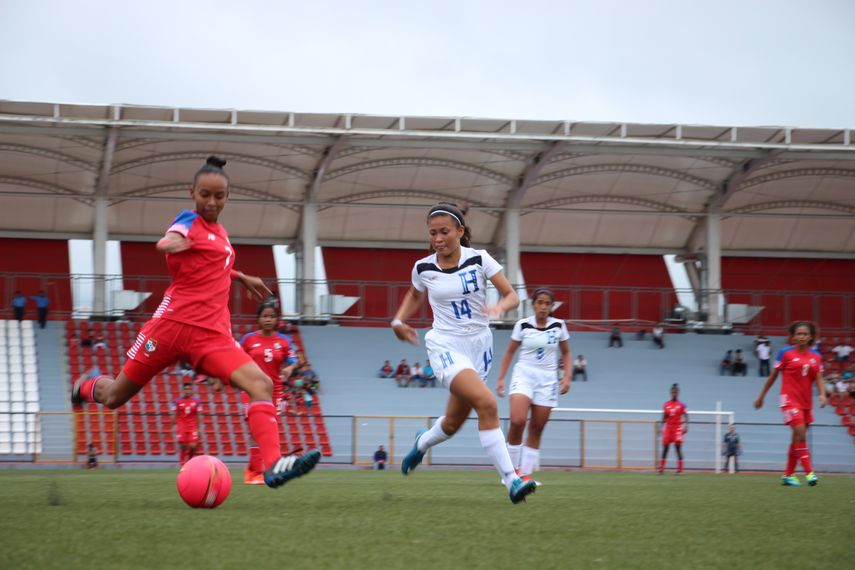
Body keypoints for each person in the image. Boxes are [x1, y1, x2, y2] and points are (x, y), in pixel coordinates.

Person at [71, 156, 320, 488]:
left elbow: (209, 263)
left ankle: (273, 465)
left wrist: (239, 275)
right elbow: (173, 238)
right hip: (169, 329)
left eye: (219, 196)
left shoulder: (221, 235)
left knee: (261, 385)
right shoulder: (188, 220)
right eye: (205, 194)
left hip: (211, 337)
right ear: (193, 193)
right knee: (115, 396)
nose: (212, 202)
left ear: (227, 197)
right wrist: (170, 242)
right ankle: (85, 386)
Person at [391, 202, 536, 504]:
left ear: (460, 231)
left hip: (479, 346)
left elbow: (512, 295)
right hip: (445, 344)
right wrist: (398, 320)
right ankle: (512, 481)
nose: (438, 238)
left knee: (452, 424)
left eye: (444, 232)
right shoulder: (423, 267)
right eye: (433, 233)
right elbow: (414, 294)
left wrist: (498, 307)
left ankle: (421, 443)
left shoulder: (480, 260)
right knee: (487, 404)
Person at [496, 288, 571, 484]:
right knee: (518, 421)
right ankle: (510, 473)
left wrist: (567, 377)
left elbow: (566, 353)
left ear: (551, 306)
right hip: (524, 374)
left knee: (537, 427)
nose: (544, 307)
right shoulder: (522, 325)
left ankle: (525, 474)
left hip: (547, 380)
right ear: (533, 304)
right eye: (540, 303)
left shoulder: (559, 326)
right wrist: (501, 379)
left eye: (548, 304)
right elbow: (509, 352)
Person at [754, 321, 827, 487]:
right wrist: (761, 396)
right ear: (793, 337)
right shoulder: (785, 353)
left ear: (810, 337)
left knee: (797, 438)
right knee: (801, 433)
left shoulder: (816, 357)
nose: (801, 337)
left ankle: (788, 475)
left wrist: (822, 395)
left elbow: (819, 378)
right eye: (798, 334)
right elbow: (773, 376)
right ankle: (810, 473)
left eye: (805, 334)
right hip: (789, 399)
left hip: (806, 402)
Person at [239, 297, 299, 484]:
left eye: (272, 317)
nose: (268, 320)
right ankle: (255, 472)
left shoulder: (284, 341)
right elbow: (235, 359)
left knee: (269, 432)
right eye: (265, 316)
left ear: (276, 320)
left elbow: (294, 360)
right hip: (251, 390)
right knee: (256, 432)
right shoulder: (248, 340)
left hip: (275, 392)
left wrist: (289, 369)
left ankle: (257, 471)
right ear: (258, 319)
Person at [659, 383, 688, 474]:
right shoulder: (666, 404)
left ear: (678, 393)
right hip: (668, 428)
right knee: (665, 448)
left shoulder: (681, 405)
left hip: (677, 428)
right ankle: (661, 469)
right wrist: (660, 427)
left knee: (678, 448)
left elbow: (686, 416)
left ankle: (680, 469)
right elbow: (664, 417)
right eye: (672, 392)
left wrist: (686, 426)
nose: (674, 394)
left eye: (675, 392)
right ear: (670, 393)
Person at [172, 382, 202, 466]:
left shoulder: (197, 401)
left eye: (189, 389)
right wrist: (173, 426)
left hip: (192, 426)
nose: (187, 391)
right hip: (182, 426)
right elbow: (174, 414)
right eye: (186, 389)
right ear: (183, 390)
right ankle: (182, 463)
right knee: (183, 445)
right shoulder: (177, 401)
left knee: (193, 446)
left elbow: (199, 415)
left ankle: (189, 461)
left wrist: (199, 429)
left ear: (191, 390)